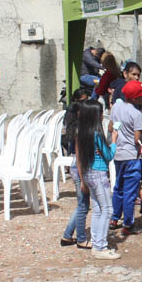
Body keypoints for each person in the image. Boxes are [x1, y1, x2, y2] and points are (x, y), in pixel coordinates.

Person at [75, 99, 120, 260]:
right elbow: (108, 155)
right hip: (99, 174)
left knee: (97, 209)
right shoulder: (97, 134)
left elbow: (79, 157)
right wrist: (114, 141)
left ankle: (96, 242)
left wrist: (81, 180)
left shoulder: (81, 132)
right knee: (107, 209)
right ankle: (100, 246)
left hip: (88, 173)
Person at [110, 79, 142, 235]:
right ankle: (128, 224)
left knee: (118, 188)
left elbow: (110, 127)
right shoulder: (137, 114)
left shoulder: (116, 106)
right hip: (132, 156)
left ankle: (114, 218)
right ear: (135, 98)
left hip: (118, 153)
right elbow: (137, 139)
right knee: (130, 191)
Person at [60, 96, 92, 250]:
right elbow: (79, 157)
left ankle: (67, 236)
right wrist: (83, 179)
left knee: (82, 205)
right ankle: (80, 238)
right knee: (82, 206)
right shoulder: (80, 130)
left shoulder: (74, 127)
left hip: (76, 167)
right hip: (79, 169)